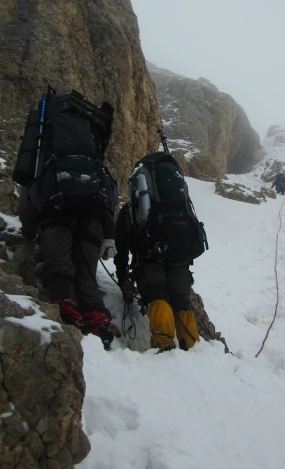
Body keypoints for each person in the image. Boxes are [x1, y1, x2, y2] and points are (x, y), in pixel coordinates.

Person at [15, 90, 118, 349]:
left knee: (58, 261)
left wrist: (28, 230)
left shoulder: (48, 154)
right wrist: (109, 235)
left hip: (55, 213)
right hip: (91, 216)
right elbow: (106, 198)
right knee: (86, 272)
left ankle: (63, 307)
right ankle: (95, 319)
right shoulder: (90, 156)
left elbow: (31, 189)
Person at [114, 201, 200, 352]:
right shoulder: (177, 203)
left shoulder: (133, 207)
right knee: (182, 302)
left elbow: (121, 247)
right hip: (180, 262)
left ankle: (163, 344)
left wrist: (122, 279)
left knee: (156, 294)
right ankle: (193, 347)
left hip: (149, 262)